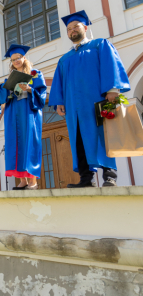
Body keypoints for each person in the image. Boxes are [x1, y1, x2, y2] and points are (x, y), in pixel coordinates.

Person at [49, 10, 131, 188]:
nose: (72, 31)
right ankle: (86, 179)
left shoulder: (99, 45)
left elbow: (111, 65)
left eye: (75, 26)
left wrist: (112, 90)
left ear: (85, 27)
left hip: (97, 102)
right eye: (69, 29)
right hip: (74, 107)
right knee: (78, 139)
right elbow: (59, 83)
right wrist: (59, 102)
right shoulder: (64, 59)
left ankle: (109, 177)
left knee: (103, 136)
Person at [0, 44, 47, 190]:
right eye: (13, 60)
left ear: (24, 58)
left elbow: (42, 94)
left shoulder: (35, 74)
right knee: (15, 143)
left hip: (28, 111)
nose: (16, 61)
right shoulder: (9, 78)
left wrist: (30, 89)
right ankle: (22, 180)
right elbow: (1, 97)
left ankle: (32, 181)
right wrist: (6, 88)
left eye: (18, 58)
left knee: (28, 142)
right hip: (13, 113)